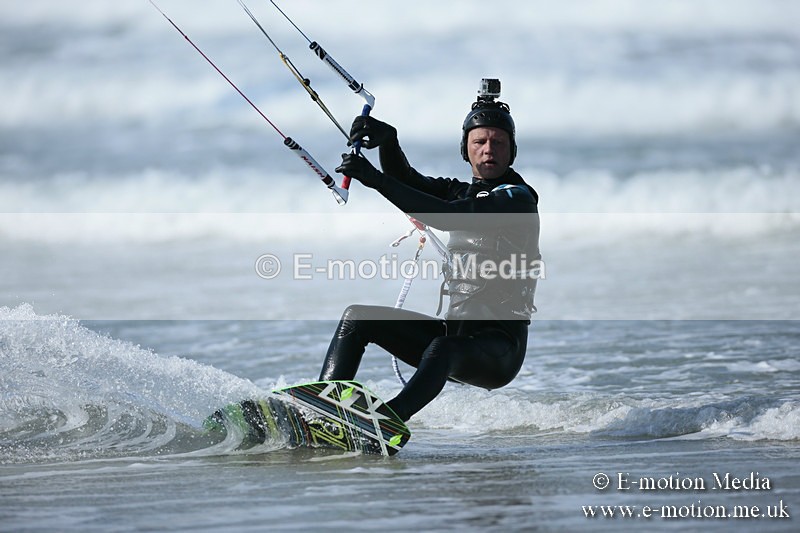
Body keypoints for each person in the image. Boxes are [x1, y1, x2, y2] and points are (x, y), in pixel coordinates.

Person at [318, 82, 541, 422]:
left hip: (498, 350)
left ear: (512, 151)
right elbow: (408, 182)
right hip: (454, 338)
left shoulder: (517, 199)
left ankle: (387, 421)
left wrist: (375, 180)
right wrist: (388, 141)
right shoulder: (462, 192)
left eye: (498, 142)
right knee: (358, 318)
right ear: (466, 150)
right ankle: (323, 407)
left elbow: (447, 216)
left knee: (443, 348)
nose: (488, 149)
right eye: (479, 142)